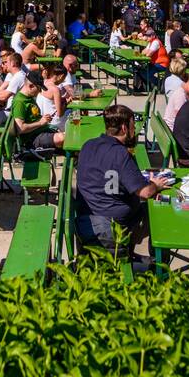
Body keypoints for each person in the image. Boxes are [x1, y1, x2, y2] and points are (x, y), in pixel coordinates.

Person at [75, 104, 170, 265]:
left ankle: (131, 254)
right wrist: (156, 184)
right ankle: (159, 266)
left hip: (89, 216)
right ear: (125, 128)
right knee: (160, 210)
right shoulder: (120, 153)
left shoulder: (88, 145)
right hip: (111, 225)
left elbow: (108, 176)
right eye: (134, 126)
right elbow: (145, 192)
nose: (135, 130)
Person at [10, 69, 62, 151]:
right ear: (31, 86)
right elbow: (20, 128)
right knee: (62, 138)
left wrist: (43, 119)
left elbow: (33, 117)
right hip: (31, 138)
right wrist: (40, 123)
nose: (39, 92)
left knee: (70, 135)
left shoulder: (29, 97)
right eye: (39, 88)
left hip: (41, 131)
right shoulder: (20, 102)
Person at [0, 50, 26, 125]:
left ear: (13, 63)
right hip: (11, 111)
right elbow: (5, 92)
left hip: (12, 114)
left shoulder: (18, 77)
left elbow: (4, 97)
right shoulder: (17, 75)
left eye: (6, 62)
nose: (4, 65)